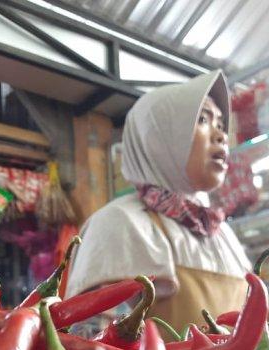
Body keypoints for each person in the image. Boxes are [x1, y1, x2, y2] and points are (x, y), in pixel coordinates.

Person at [66, 70, 251, 333]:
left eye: (221, 124)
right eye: (202, 120)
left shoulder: (224, 235)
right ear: (157, 138)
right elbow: (89, 342)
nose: (221, 135)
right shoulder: (119, 223)